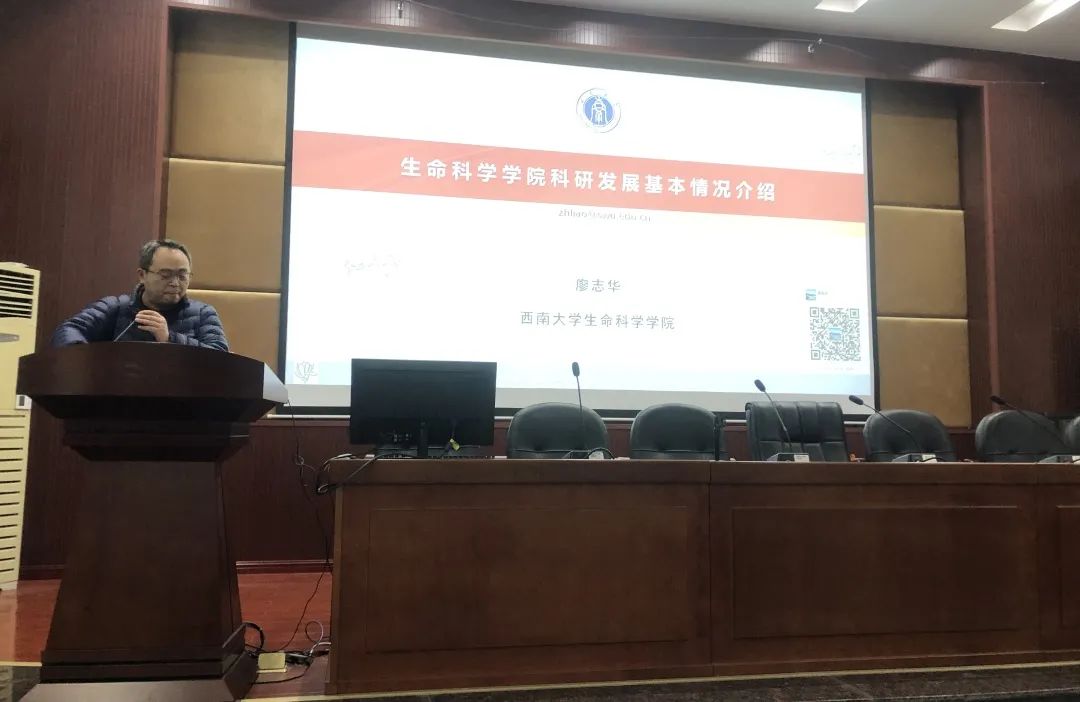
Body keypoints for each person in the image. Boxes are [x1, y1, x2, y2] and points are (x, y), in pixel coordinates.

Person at [51, 239, 229, 350]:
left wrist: (170, 338)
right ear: (142, 275)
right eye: (165, 275)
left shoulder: (203, 313)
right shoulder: (116, 307)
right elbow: (69, 330)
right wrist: (83, 358)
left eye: (183, 276)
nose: (175, 283)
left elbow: (220, 356)